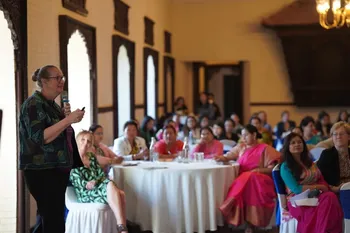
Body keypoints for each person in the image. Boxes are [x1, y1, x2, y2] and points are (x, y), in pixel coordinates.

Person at [19, 65, 85, 233]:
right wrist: (67, 119)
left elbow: (59, 132)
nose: (61, 81)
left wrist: (65, 117)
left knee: (47, 219)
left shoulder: (51, 105)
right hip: (42, 170)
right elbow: (41, 137)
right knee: (53, 221)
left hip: (56, 169)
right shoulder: (33, 104)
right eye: (57, 78)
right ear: (44, 81)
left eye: (62, 77)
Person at [215, 124, 280, 233]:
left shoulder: (265, 148)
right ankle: (248, 224)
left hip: (261, 179)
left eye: (246, 135)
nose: (243, 138)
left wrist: (257, 171)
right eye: (242, 135)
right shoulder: (241, 147)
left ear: (254, 135)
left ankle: (250, 222)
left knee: (250, 178)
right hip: (244, 179)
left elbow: (272, 168)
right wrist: (221, 157)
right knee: (247, 181)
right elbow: (229, 155)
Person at [280, 133, 343, 233]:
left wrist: (326, 187)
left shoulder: (310, 163)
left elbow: (320, 178)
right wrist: (319, 187)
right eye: (293, 143)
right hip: (297, 200)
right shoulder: (285, 167)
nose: (297, 144)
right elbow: (296, 189)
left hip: (316, 195)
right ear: (287, 147)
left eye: (300, 142)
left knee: (330, 197)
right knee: (328, 199)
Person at [71, 131, 128, 233]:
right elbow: (77, 181)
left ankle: (122, 227)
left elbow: (101, 176)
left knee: (121, 194)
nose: (85, 143)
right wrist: (88, 183)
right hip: (84, 193)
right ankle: (122, 229)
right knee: (111, 185)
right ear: (76, 142)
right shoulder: (72, 159)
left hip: (97, 188)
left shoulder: (92, 157)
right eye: (83, 140)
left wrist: (95, 181)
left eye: (89, 141)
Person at [317, 121, 350, 191]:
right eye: (335, 134)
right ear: (332, 137)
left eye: (341, 134)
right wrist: (334, 188)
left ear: (349, 136)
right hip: (337, 190)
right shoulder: (326, 154)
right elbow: (320, 178)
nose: (338, 136)